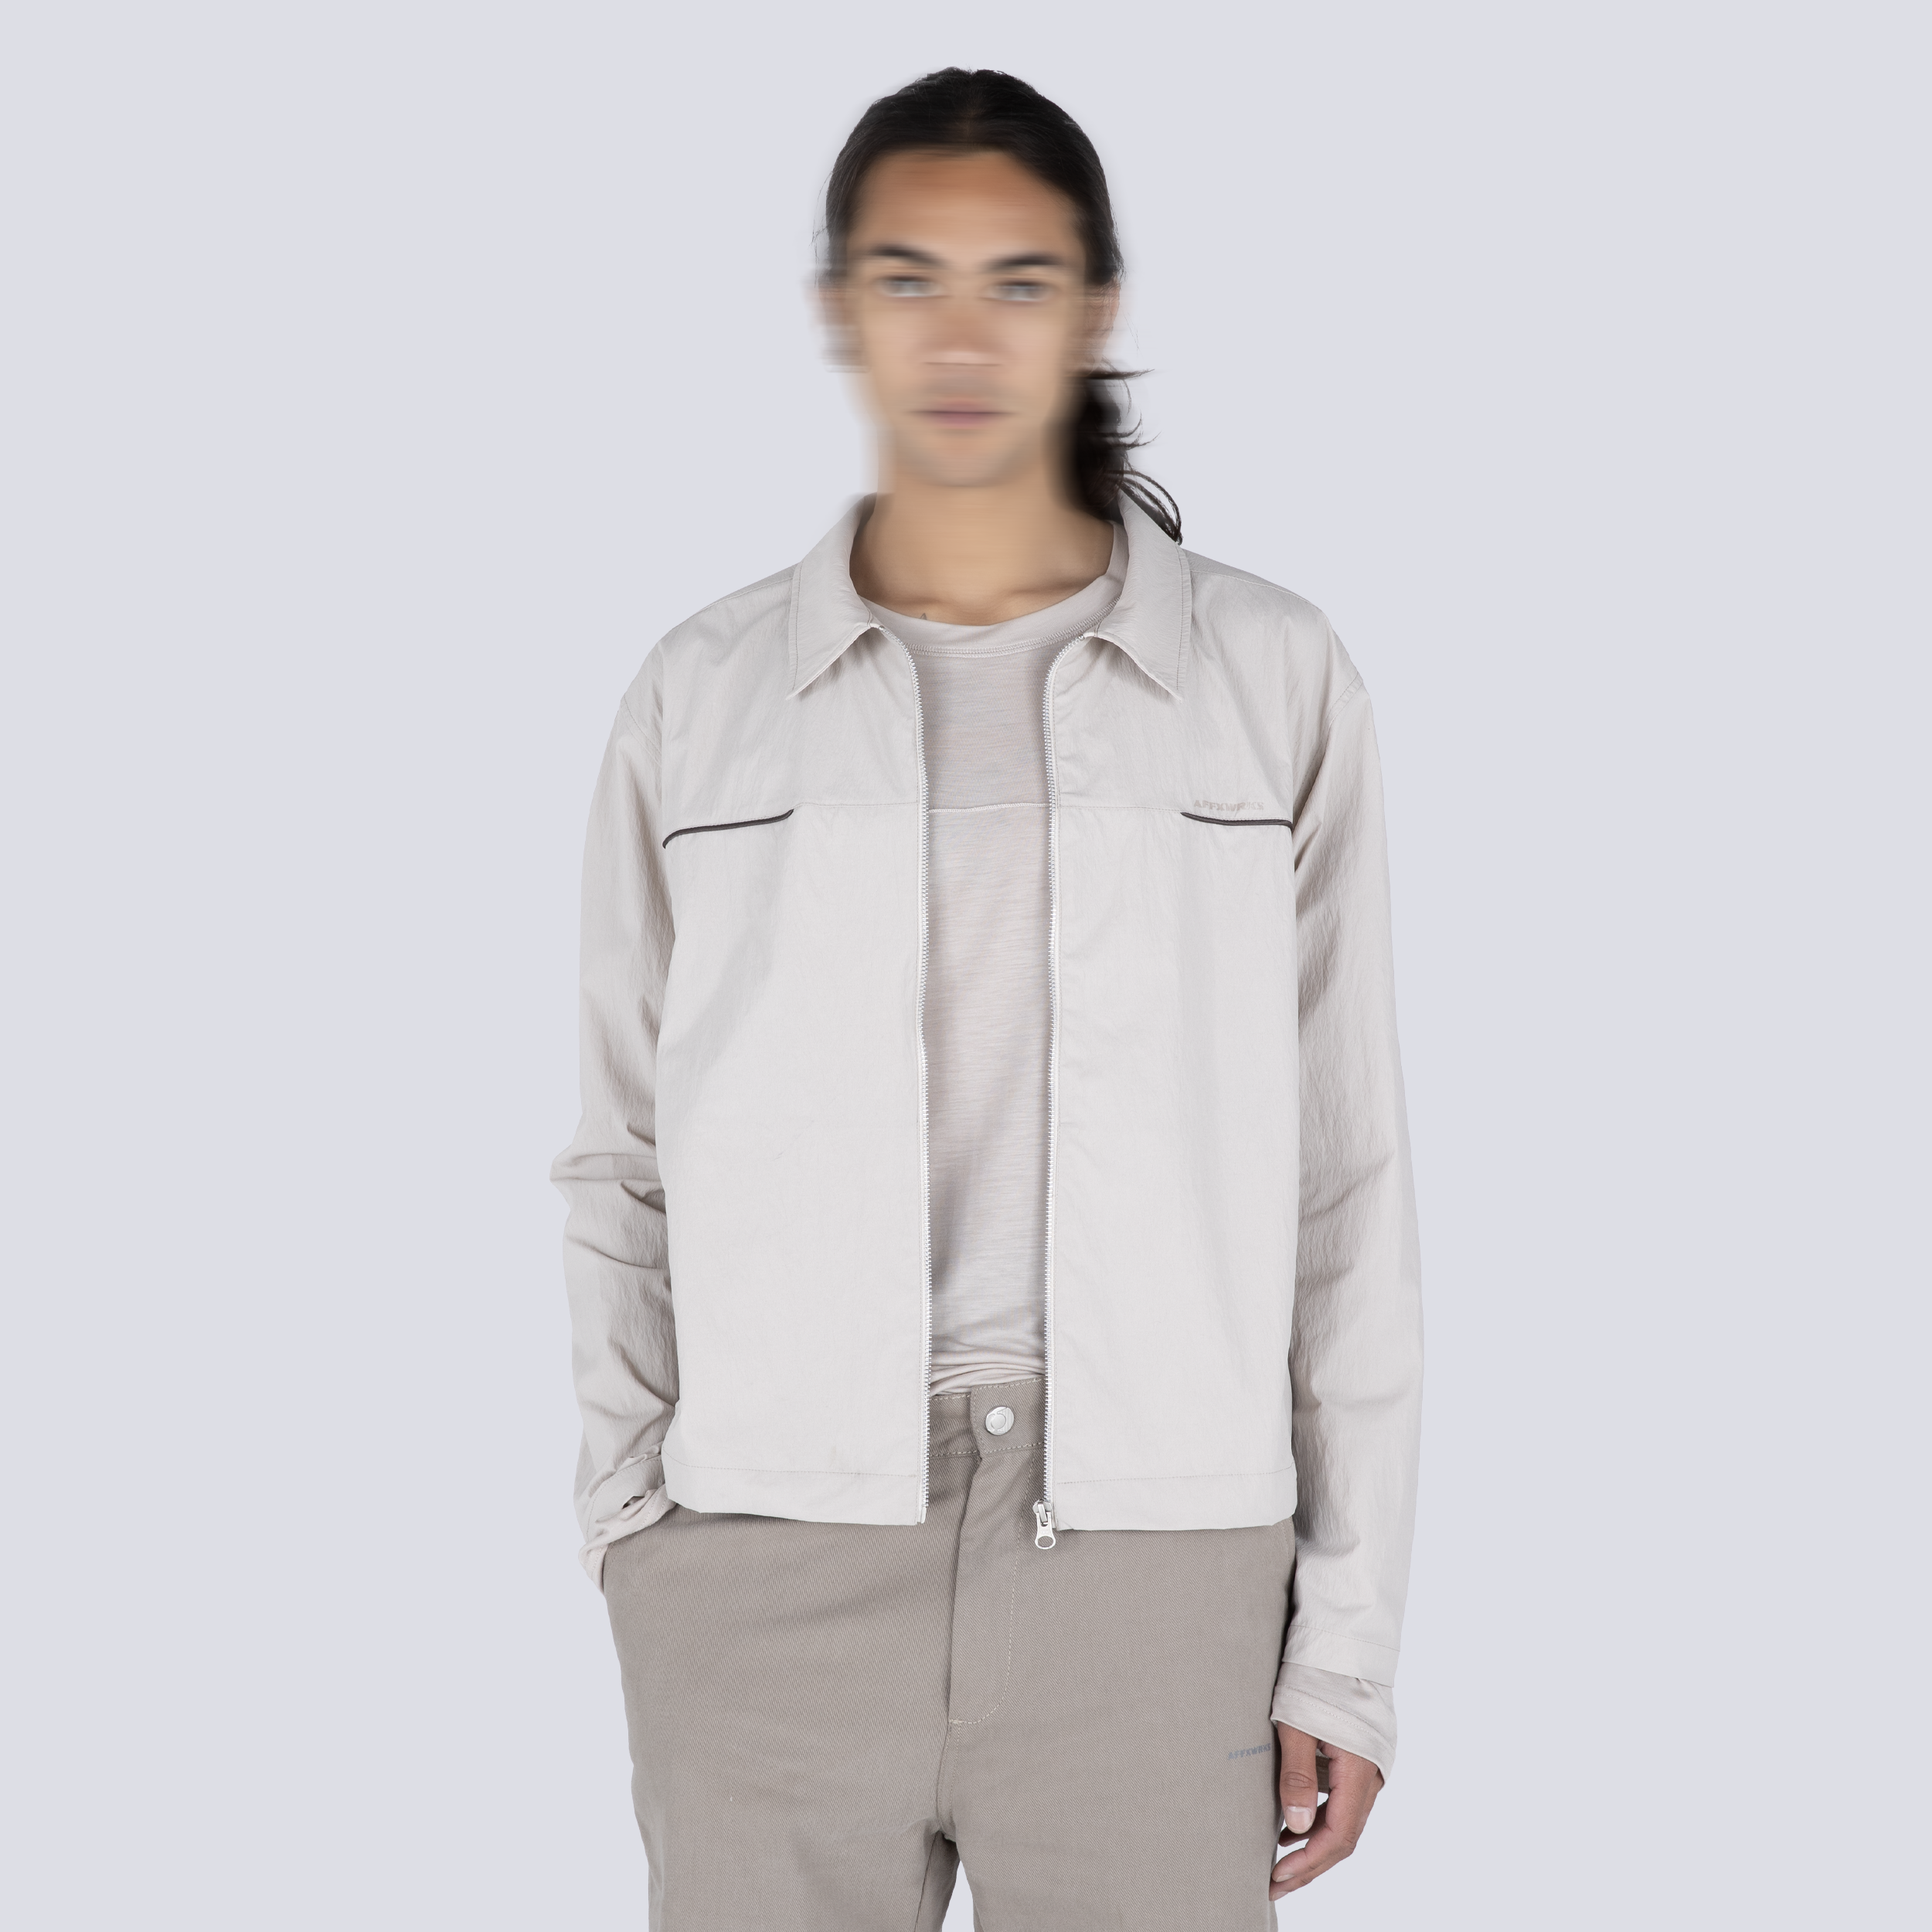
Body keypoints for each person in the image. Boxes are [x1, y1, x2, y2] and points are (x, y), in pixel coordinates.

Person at [551, 66, 1422, 1930]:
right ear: (837, 307)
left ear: (1094, 307)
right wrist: (639, 1528)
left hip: (1156, 1568)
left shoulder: (1266, 678)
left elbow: (1343, 1178)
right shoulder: (702, 694)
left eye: (1017, 280)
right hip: (766, 1562)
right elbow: (618, 1151)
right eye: (906, 276)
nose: (959, 334)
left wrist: (1341, 1642)